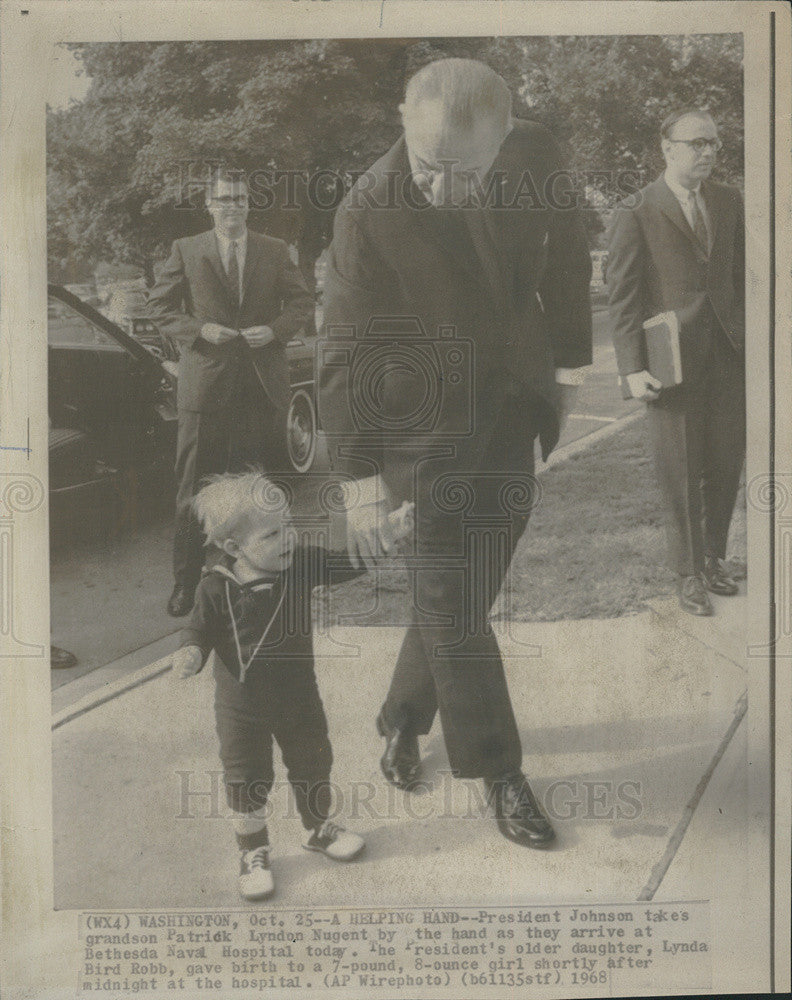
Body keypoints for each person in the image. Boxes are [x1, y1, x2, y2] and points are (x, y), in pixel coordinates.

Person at [318, 58, 593, 849]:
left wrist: (569, 369)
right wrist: (361, 481)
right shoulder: (366, 209)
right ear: (405, 119)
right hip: (421, 435)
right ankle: (500, 772)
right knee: (449, 603)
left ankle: (402, 719)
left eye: (465, 171)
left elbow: (570, 254)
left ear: (504, 138)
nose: (443, 189)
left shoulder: (537, 152)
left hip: (511, 410)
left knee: (462, 598)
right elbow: (343, 348)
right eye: (431, 168)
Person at [171, 471, 367, 901]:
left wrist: (384, 539)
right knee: (246, 778)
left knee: (314, 761)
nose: (288, 539)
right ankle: (253, 850)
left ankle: (318, 828)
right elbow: (198, 631)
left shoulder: (299, 565)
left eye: (290, 527)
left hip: (300, 697)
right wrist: (190, 654)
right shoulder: (215, 587)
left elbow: (345, 564)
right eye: (273, 534)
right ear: (233, 547)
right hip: (242, 708)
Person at [146, 168, 314, 618]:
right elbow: (159, 305)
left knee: (259, 488)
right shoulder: (187, 249)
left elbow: (302, 302)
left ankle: (258, 578)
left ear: (248, 204)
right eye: (224, 199)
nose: (233, 206)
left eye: (239, 199)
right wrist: (200, 329)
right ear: (210, 204)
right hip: (205, 387)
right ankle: (186, 585)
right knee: (192, 491)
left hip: (260, 387)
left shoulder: (274, 250)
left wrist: (275, 331)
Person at [607, 109, 745, 616]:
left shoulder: (729, 201)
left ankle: (713, 559)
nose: (707, 152)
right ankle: (687, 574)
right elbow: (622, 296)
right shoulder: (636, 209)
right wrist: (631, 368)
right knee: (680, 470)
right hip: (671, 363)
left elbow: (739, 279)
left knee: (725, 465)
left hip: (729, 359)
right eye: (696, 143)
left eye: (713, 143)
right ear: (667, 148)